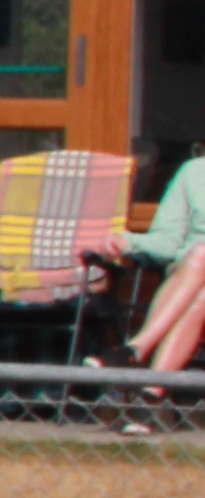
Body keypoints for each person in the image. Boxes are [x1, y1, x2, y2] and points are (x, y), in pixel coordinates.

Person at [76, 143, 205, 389]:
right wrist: (128, 241)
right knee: (201, 269)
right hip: (191, 275)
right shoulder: (194, 173)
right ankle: (150, 397)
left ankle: (136, 349)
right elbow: (168, 241)